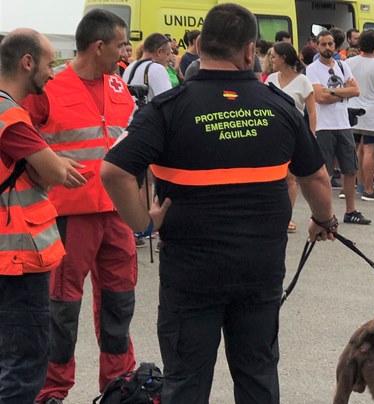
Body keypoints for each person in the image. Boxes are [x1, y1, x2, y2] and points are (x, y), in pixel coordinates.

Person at [100, 4, 335, 402]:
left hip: (190, 277)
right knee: (257, 375)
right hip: (258, 274)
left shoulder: (168, 108)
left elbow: (114, 171)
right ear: (249, 51)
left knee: (186, 382)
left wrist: (145, 222)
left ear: (202, 46)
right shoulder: (280, 107)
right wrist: (322, 219)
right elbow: (315, 176)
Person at [21, 10, 137, 403]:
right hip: (69, 216)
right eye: (121, 44)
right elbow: (20, 142)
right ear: (99, 46)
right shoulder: (49, 88)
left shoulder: (120, 87)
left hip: (117, 214)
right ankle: (51, 390)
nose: (127, 50)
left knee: (120, 300)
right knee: (62, 308)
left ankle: (119, 383)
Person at [0, 28, 86, 404]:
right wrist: (53, 165)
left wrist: (46, 162)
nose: (53, 74)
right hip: (17, 257)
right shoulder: (10, 114)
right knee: (26, 361)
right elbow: (56, 173)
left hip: (12, 253)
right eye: (50, 64)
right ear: (27, 62)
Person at [306, 30, 371, 224]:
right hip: (324, 127)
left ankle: (351, 211)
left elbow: (356, 90)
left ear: (335, 46)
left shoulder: (343, 66)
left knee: (349, 169)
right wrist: (345, 91)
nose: (327, 47)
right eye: (323, 44)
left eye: (330, 44)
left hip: (343, 125)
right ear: (317, 46)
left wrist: (333, 91)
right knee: (324, 172)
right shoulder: (312, 69)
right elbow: (320, 97)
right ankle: (325, 214)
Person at [265, 41, 317, 232]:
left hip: (293, 134)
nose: (271, 59)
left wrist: (311, 136)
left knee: (289, 177)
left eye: (274, 56)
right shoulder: (270, 78)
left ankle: (287, 217)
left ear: (284, 58)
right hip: (269, 133)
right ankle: (271, 214)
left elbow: (312, 112)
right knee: (271, 176)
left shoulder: (303, 81)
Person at [346, 29, 374, 201]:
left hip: (351, 109)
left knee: (356, 149)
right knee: (370, 151)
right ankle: (369, 189)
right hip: (372, 112)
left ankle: (359, 183)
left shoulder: (348, 63)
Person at [122, 33, 173, 101]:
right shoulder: (157, 69)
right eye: (168, 54)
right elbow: (168, 102)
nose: (168, 59)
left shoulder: (129, 68)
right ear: (159, 52)